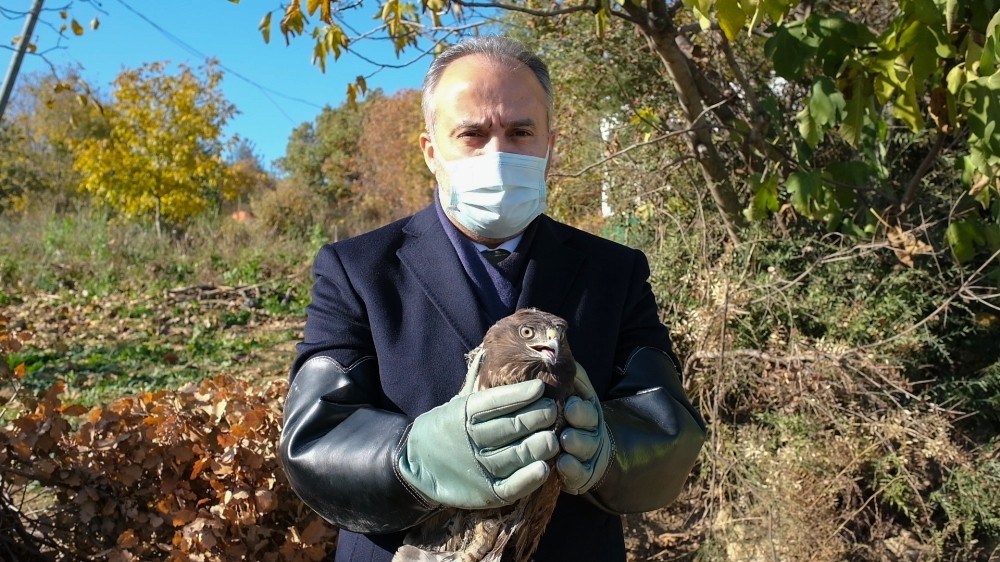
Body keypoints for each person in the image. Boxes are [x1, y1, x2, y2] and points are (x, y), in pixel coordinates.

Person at [279, 35, 707, 561]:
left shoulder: (614, 272)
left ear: (551, 145)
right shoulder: (357, 270)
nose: (497, 153)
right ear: (431, 150)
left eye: (520, 132)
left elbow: (668, 424)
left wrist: (612, 449)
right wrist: (407, 459)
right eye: (472, 134)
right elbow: (314, 438)